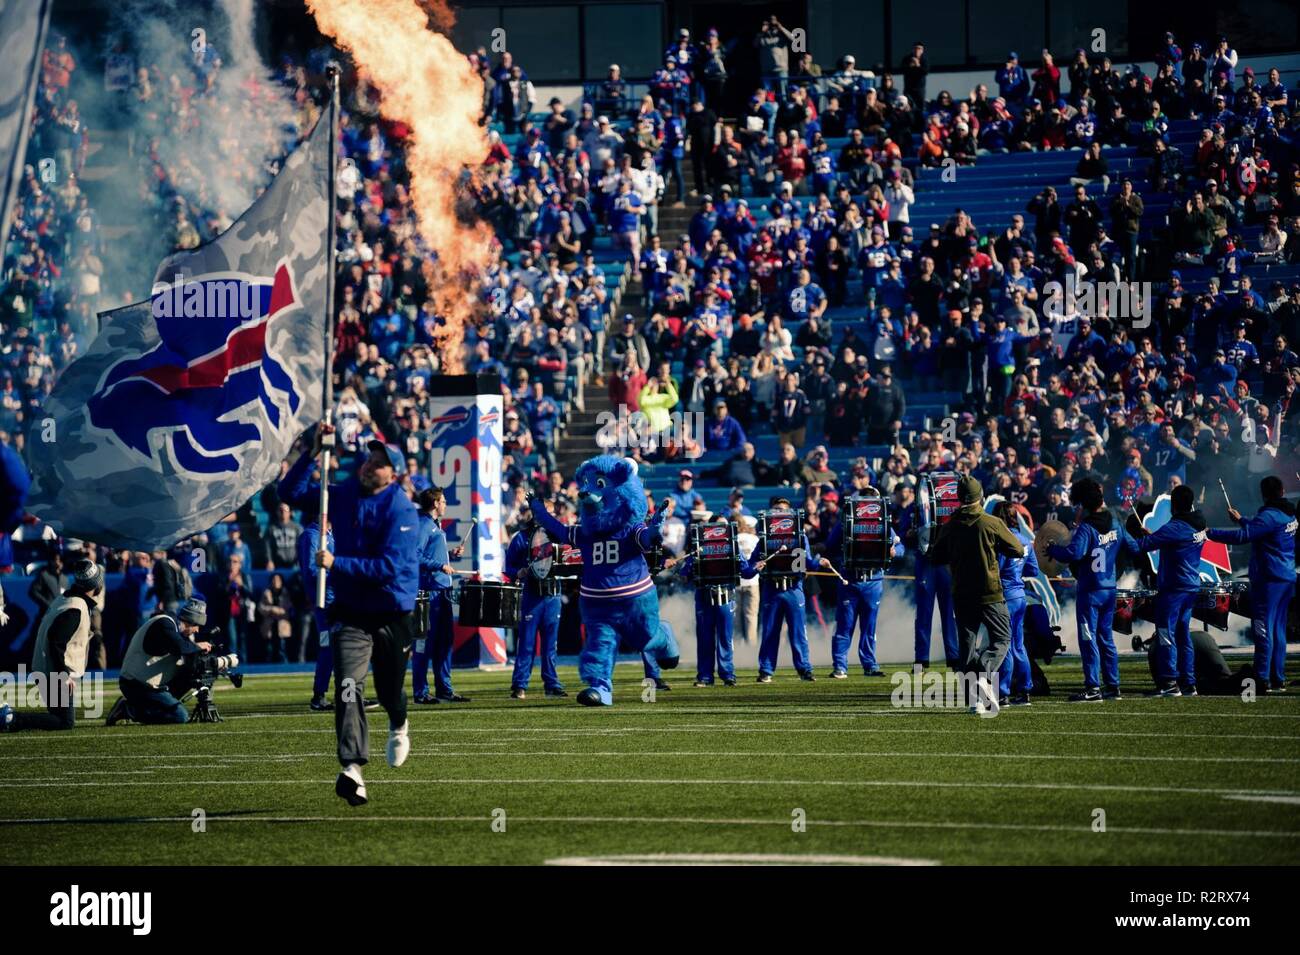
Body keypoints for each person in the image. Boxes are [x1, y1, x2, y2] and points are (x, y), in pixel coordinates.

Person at [279, 429, 420, 806]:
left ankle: (399, 723)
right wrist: (311, 454)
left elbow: (389, 568)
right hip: (352, 611)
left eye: (380, 463)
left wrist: (336, 563)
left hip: (392, 611)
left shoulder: (402, 510)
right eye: (369, 459)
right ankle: (352, 768)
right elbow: (288, 494)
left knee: (391, 691)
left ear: (394, 474)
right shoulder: (343, 494)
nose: (370, 465)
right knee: (348, 686)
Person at [927, 475, 1027, 714]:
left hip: (962, 595)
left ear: (960, 498)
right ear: (980, 497)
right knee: (1003, 639)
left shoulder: (949, 526)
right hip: (990, 593)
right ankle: (985, 671)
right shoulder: (991, 522)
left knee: (967, 648)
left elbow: (935, 558)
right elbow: (1018, 549)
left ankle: (975, 701)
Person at [1047, 478, 1140, 702]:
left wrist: (1054, 549)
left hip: (1090, 592)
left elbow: (1074, 554)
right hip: (1109, 589)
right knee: (1106, 638)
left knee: (1088, 639)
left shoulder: (1087, 528)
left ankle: (1092, 687)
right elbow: (1135, 547)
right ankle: (1113, 685)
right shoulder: (1117, 522)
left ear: (1084, 505)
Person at [1207, 476, 1295, 694]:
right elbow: (1263, 529)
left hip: (1269, 580)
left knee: (1263, 629)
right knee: (1278, 630)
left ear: (1262, 494)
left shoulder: (1269, 515)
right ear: (1282, 491)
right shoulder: (1289, 514)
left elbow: (1243, 537)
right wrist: (1242, 519)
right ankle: (1277, 677)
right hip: (1286, 577)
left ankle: (1262, 678)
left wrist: (1210, 533)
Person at [0, 559, 103, 732]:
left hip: (47, 669)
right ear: (96, 584)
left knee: (59, 718)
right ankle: (11, 718)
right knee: (64, 722)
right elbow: (56, 640)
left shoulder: (68, 599)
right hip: (53, 672)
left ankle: (10, 718)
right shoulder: (75, 608)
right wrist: (63, 676)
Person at [1131, 484, 1209, 697]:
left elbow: (1142, 546)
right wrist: (1154, 537)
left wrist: (1130, 537)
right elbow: (1171, 542)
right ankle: (1189, 683)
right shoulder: (1198, 524)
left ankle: (1169, 682)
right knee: (1183, 635)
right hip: (1190, 586)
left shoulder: (1175, 527)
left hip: (1173, 588)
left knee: (1166, 633)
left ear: (1173, 505)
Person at [749, 497, 835, 682]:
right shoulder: (764, 537)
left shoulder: (799, 535)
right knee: (770, 632)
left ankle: (804, 669)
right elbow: (750, 566)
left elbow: (808, 561)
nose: (779, 513)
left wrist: (818, 562)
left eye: (783, 510)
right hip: (772, 588)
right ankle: (766, 670)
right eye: (776, 510)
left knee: (798, 632)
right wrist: (753, 567)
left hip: (794, 587)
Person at [824, 488, 903, 678]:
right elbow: (830, 544)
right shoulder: (846, 522)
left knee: (869, 627)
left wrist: (895, 551)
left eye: (871, 498)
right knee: (845, 625)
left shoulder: (883, 523)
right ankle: (840, 666)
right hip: (850, 579)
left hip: (873, 579)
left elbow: (900, 546)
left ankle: (870, 664)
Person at [105, 598, 219, 726]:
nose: (197, 630)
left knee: (191, 672)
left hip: (148, 683)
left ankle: (158, 705)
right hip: (135, 684)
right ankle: (128, 710)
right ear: (190, 620)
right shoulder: (165, 624)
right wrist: (198, 647)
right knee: (180, 716)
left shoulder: (173, 628)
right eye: (197, 625)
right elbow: (179, 647)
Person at [411, 487, 468, 704]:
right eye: (443, 501)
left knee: (445, 642)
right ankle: (420, 692)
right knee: (424, 643)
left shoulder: (436, 527)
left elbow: (432, 555)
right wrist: (440, 565)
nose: (445, 504)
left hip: (443, 591)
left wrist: (450, 555)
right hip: (429, 592)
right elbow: (415, 555)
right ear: (435, 504)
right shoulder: (424, 525)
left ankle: (444, 688)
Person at [503, 506, 566, 699]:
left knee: (550, 644)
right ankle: (520, 684)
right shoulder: (521, 538)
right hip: (532, 595)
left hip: (553, 594)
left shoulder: (558, 535)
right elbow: (509, 567)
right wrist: (519, 573)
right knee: (527, 643)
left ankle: (552, 684)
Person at [994, 503, 1038, 706]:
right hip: (1020, 596)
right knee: (1018, 645)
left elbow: (996, 570)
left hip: (1005, 596)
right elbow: (1034, 570)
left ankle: (1003, 691)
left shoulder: (1002, 541)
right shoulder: (1026, 541)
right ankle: (1025, 689)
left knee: (1005, 646)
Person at [298, 515, 336, 711]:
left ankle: (349, 694)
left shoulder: (330, 535)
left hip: (338, 599)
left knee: (346, 649)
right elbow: (311, 570)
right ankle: (319, 695)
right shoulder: (311, 536)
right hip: (325, 601)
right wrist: (339, 571)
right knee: (328, 647)